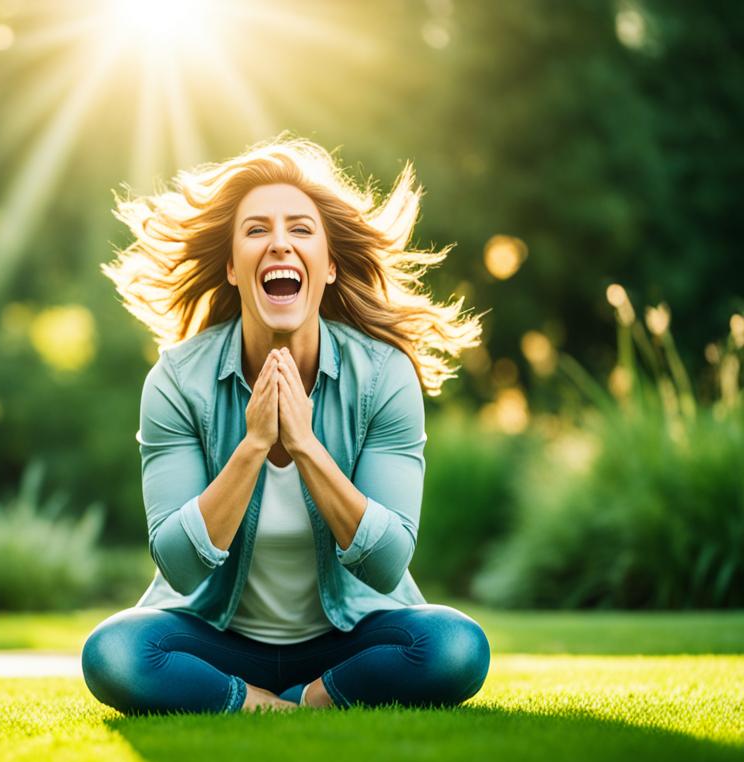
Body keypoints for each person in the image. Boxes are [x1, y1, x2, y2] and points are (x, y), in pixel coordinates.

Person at [82, 134, 489, 714]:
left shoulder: (382, 376)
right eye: (256, 230)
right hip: (218, 641)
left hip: (349, 640)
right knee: (113, 652)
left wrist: (304, 446)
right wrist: (252, 447)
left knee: (456, 647)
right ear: (230, 266)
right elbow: (177, 562)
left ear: (327, 266)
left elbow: (388, 560)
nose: (279, 244)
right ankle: (260, 704)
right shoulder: (176, 380)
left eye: (300, 229)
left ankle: (314, 698)